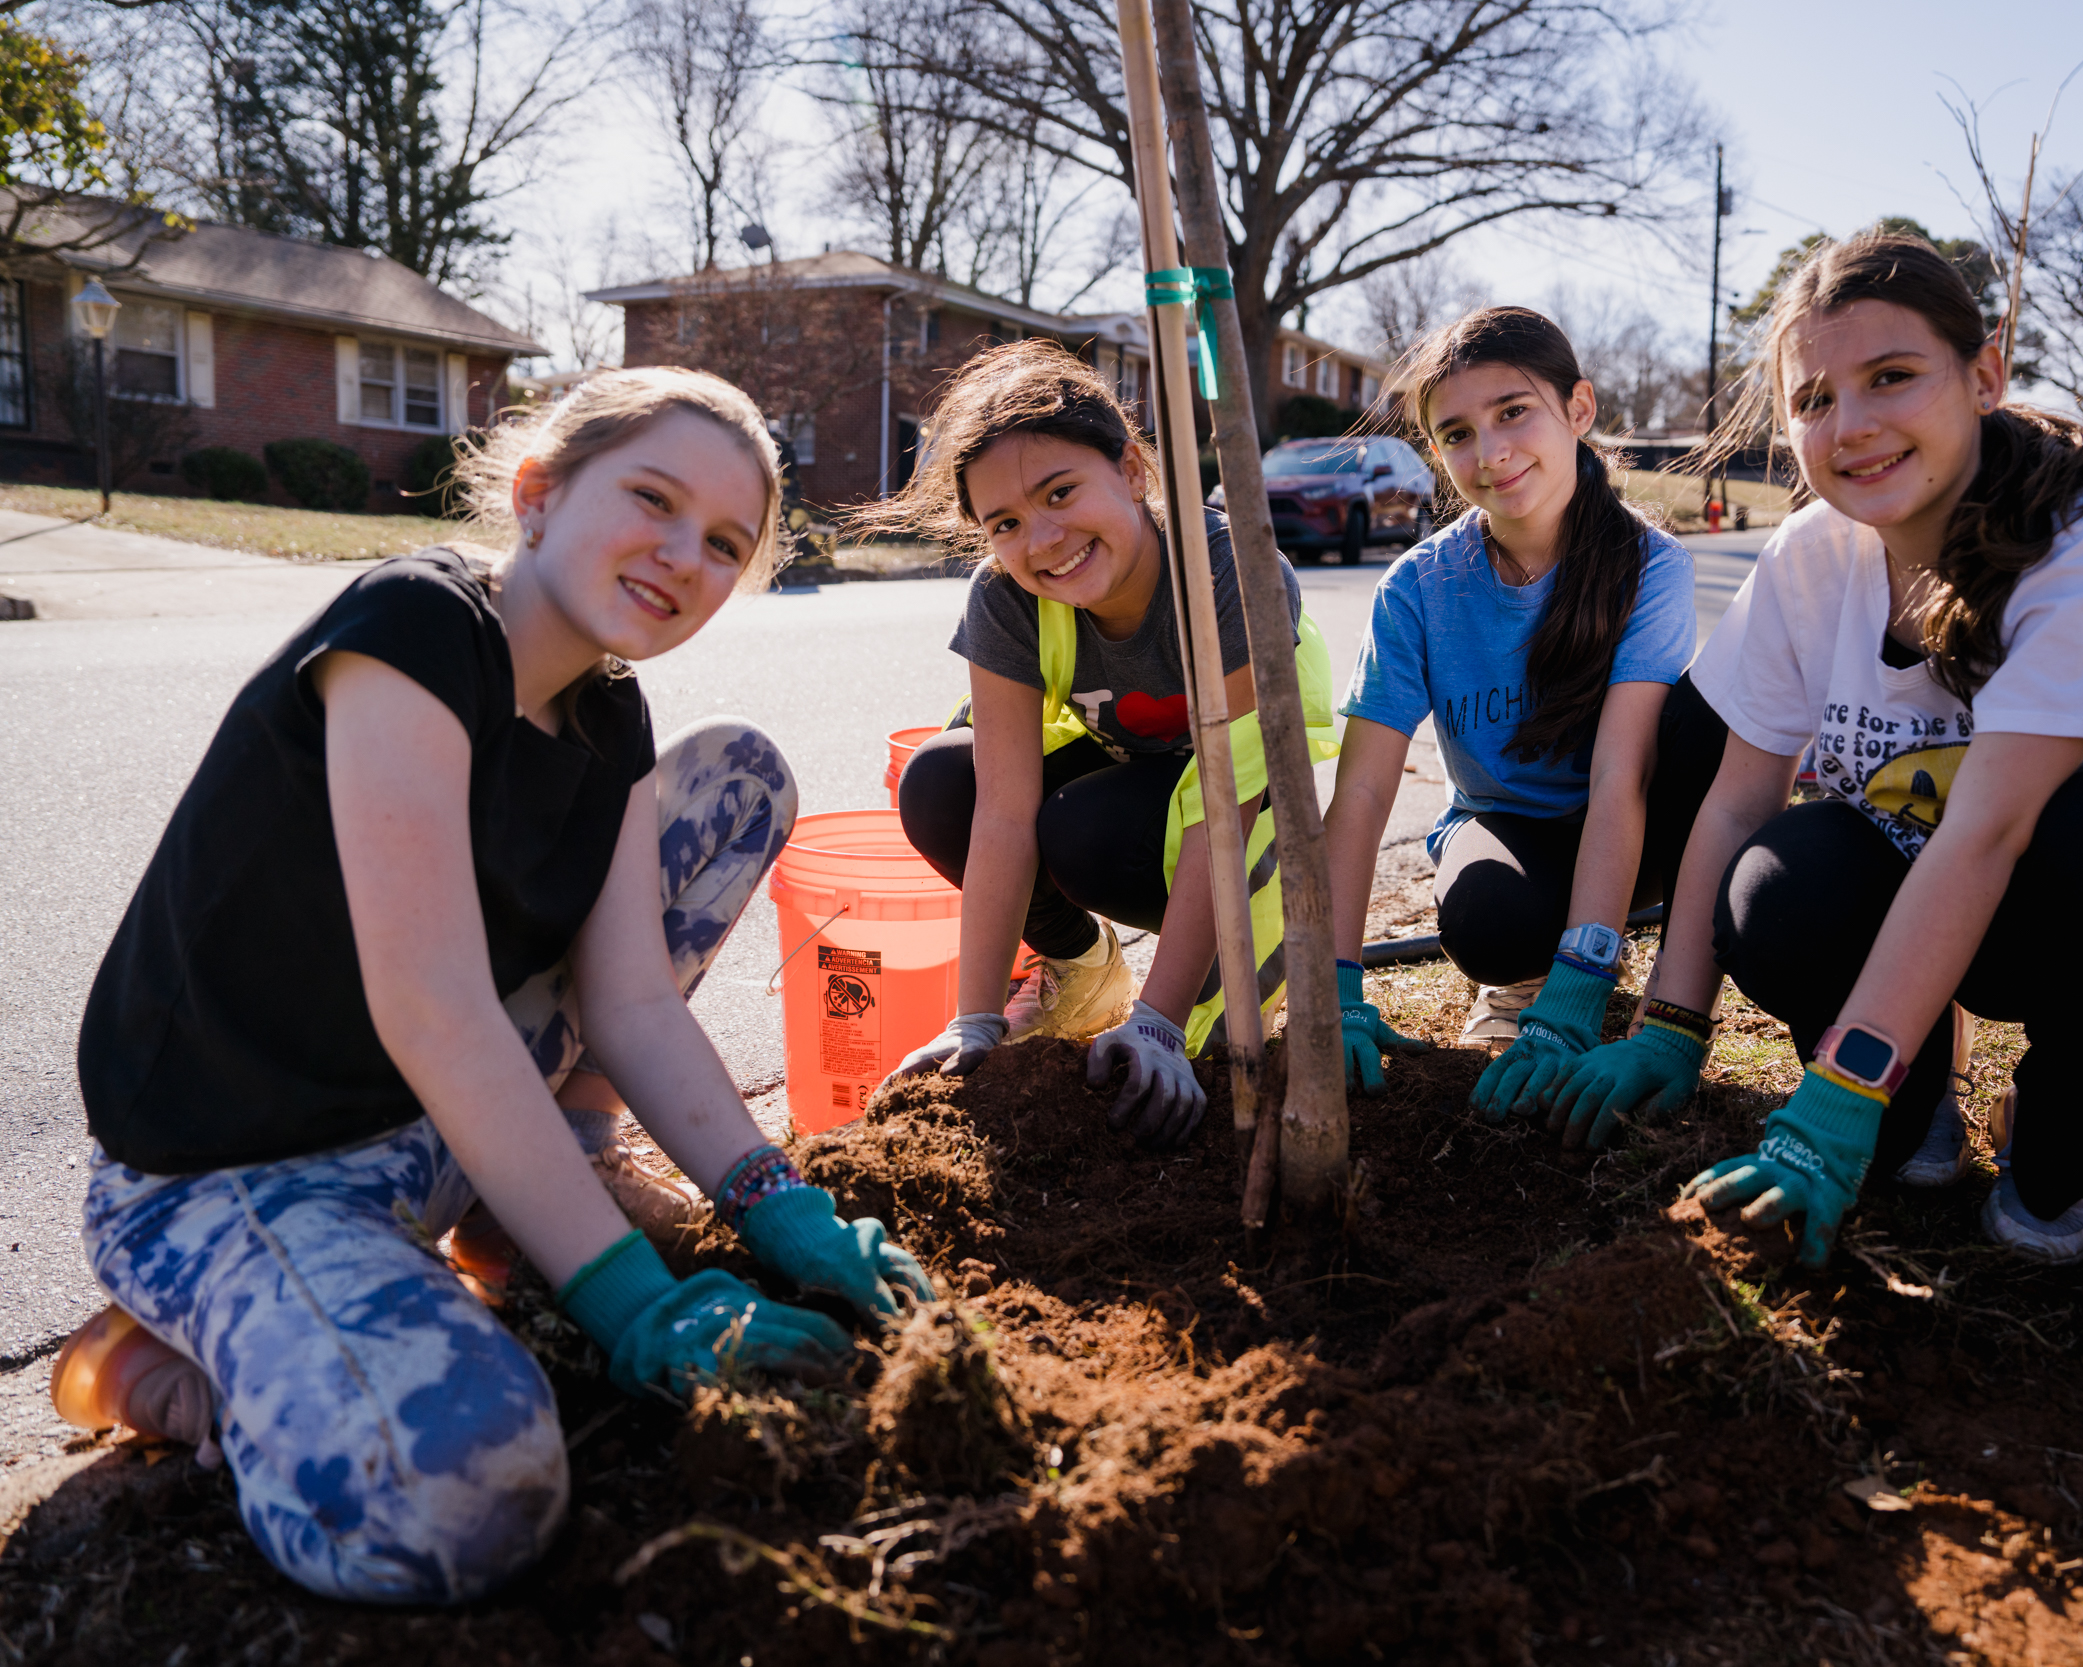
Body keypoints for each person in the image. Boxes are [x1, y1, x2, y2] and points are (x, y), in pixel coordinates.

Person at [64, 367, 931, 1605]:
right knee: (465, 1496)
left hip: (433, 1124)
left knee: (738, 776)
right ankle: (167, 1368)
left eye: (726, 543)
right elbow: (435, 1006)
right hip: (232, 1171)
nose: (685, 553)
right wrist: (631, 1300)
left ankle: (526, 1204)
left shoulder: (610, 718)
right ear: (536, 496)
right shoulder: (414, 630)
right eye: (652, 497)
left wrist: (775, 1204)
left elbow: (631, 1003)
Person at [1547, 230, 2083, 1265]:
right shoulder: (1812, 552)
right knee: (1774, 883)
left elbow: (1988, 831)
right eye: (1813, 400)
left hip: (2052, 910)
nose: (1848, 427)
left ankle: (2056, 1098)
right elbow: (1734, 799)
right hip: (1902, 892)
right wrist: (1670, 1022)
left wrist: (1840, 1090)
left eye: (1890, 378)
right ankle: (1918, 1086)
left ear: (1982, 374)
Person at [871, 341, 1333, 1147]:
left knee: (1202, 1046)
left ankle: (1169, 993)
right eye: (1004, 523)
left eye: (1060, 492)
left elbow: (1226, 801)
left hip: (1241, 831)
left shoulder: (1229, 572)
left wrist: (1159, 1019)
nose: (1041, 540)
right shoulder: (1005, 597)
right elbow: (1005, 814)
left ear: (1133, 472)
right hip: (1125, 788)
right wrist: (973, 1020)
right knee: (942, 780)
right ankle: (1082, 969)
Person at [1323, 306, 1719, 1123]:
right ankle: (1522, 976)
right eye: (1457, 432)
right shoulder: (1419, 585)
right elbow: (1362, 793)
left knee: (1712, 726)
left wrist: (1584, 983)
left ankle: (1660, 996)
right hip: (1510, 825)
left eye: (1513, 412)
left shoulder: (1651, 564)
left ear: (1578, 409)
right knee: (1487, 919)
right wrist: (1334, 980)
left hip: (1635, 820)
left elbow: (1621, 774)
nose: (1491, 452)